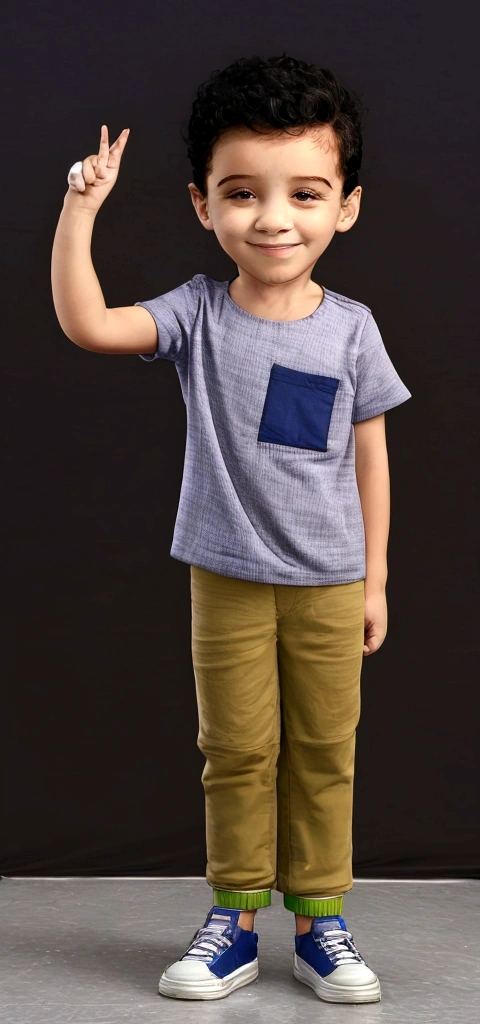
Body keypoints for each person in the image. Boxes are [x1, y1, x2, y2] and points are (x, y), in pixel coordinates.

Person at [52, 52, 412, 1005]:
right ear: (204, 206)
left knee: (327, 750)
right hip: (226, 577)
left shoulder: (352, 330)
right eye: (243, 192)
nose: (274, 217)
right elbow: (90, 325)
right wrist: (79, 210)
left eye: (306, 192)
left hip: (332, 582)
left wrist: (375, 579)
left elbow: (370, 458)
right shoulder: (197, 314)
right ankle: (236, 919)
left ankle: (324, 920)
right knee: (238, 751)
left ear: (348, 207)